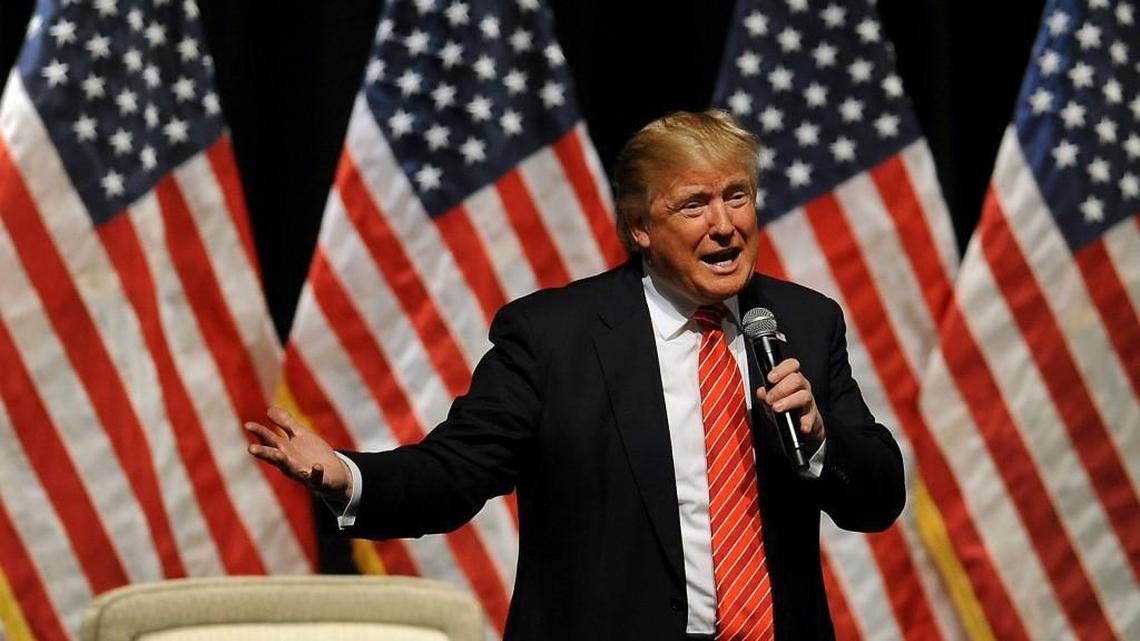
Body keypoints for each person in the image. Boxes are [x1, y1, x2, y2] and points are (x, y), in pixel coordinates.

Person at [247, 110, 905, 641]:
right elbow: (457, 470)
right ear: (639, 227)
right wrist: (348, 476)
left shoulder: (802, 320)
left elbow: (879, 496)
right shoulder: (553, 338)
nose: (726, 225)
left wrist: (819, 440)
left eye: (738, 196)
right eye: (694, 204)